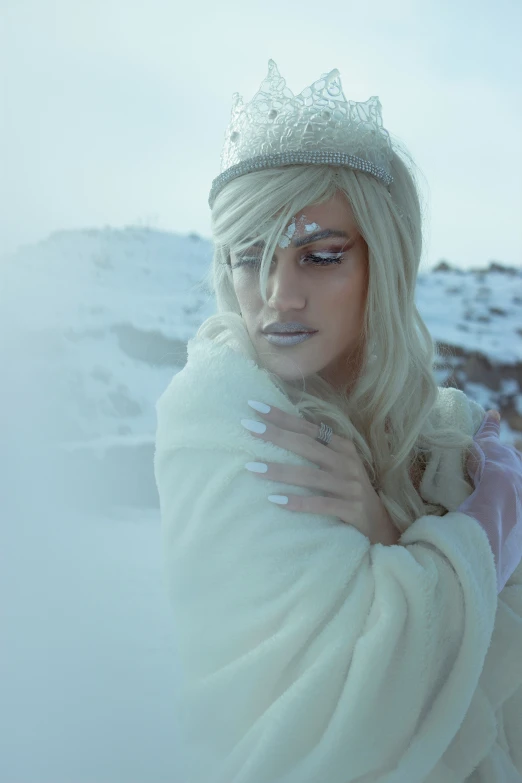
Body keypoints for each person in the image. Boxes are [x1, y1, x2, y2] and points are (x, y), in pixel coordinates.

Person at [154, 60, 522, 782]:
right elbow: (361, 703)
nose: (278, 295)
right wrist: (484, 526)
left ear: (384, 265)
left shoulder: (442, 434)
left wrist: (391, 527)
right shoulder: (223, 413)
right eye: (249, 257)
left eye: (319, 256)